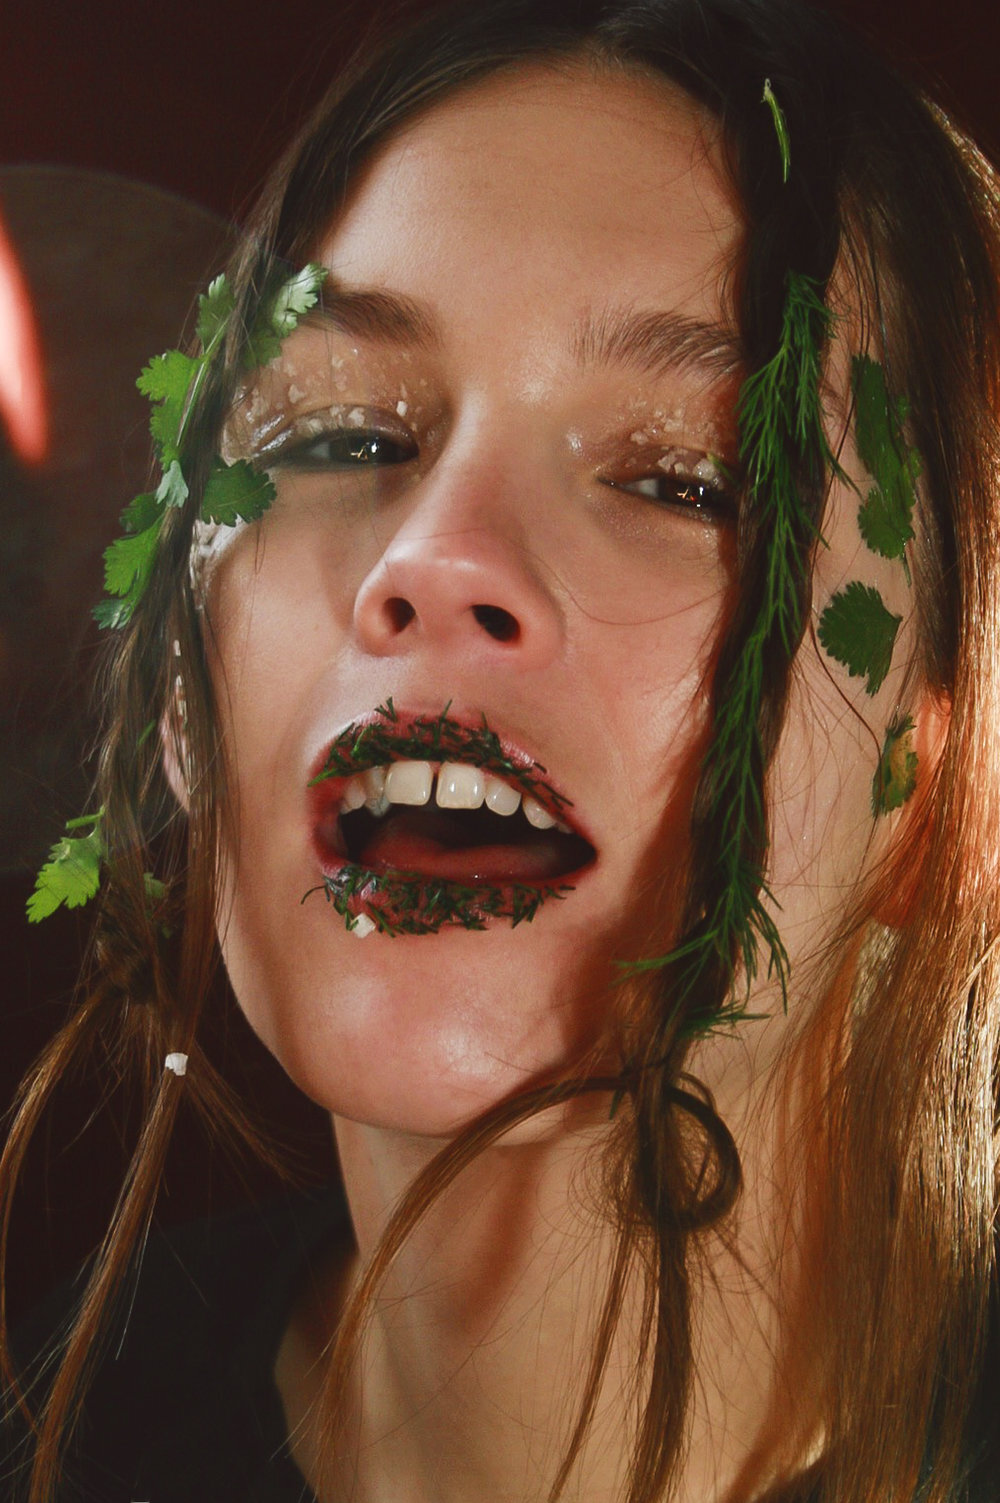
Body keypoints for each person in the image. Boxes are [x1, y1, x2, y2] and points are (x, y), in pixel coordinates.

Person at [3, 0, 999, 1499]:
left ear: (948, 799)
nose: (432, 555)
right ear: (181, 715)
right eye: (344, 439)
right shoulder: (55, 1422)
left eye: (682, 482)